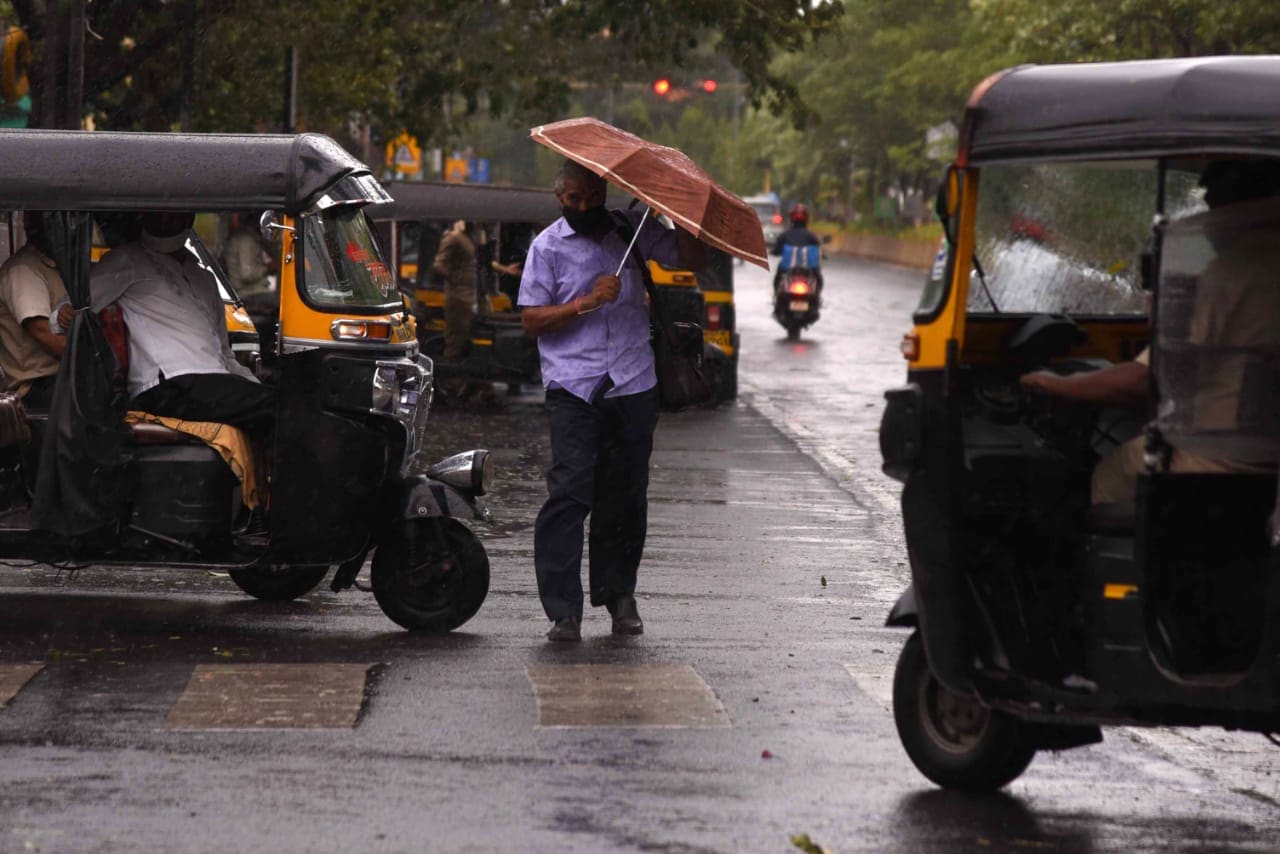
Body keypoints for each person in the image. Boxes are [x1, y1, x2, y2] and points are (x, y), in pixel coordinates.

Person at [518, 159, 706, 642]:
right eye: (572, 200)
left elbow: (689, 259)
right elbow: (533, 320)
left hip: (633, 384)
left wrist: (682, 214)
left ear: (604, 193)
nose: (583, 207)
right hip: (574, 388)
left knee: (625, 498)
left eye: (591, 198)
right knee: (570, 493)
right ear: (560, 197)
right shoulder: (547, 247)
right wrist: (583, 302)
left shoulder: (632, 230)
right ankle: (563, 611)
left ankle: (620, 596)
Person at [1020, 160, 1280, 504]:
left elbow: (1144, 383)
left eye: (1213, 204)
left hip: (1217, 462)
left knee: (1107, 474)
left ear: (1235, 204)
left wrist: (1051, 383)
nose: (1208, 216)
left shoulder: (1225, 274)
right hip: (1269, 466)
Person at [85, 211, 276, 433]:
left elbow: (225, 355)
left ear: (189, 217)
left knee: (287, 405)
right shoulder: (127, 259)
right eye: (161, 215)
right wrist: (64, 314)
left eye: (175, 215)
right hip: (165, 387)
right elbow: (72, 309)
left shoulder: (203, 277)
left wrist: (256, 386)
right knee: (280, 409)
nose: (166, 220)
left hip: (211, 383)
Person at [0, 213, 68, 409]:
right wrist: (92, 359)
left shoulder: (63, 268)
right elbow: (43, 333)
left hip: (62, 380)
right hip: (38, 386)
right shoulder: (23, 269)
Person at [431, 219, 495, 405]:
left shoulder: (471, 238)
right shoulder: (454, 237)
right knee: (456, 341)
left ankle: (480, 387)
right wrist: (456, 280)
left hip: (475, 298)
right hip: (460, 298)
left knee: (477, 342)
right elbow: (439, 264)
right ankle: (450, 387)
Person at [221, 212, 276, 321]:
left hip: (251, 291)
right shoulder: (246, 240)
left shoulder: (247, 238)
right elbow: (248, 274)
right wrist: (268, 268)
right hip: (249, 293)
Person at [770, 203, 822, 292]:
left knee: (779, 274)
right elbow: (818, 249)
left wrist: (773, 252)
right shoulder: (812, 236)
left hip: (788, 270)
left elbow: (776, 250)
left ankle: (776, 294)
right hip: (809, 270)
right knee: (817, 276)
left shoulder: (785, 235)